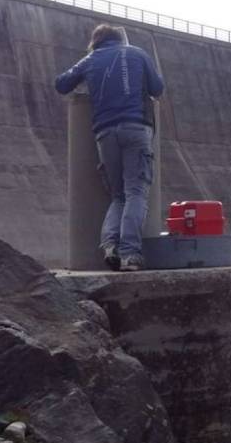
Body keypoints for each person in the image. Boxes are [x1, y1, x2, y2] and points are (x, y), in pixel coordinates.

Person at [55, 24, 165, 271]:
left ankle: (109, 246)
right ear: (119, 39)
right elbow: (157, 88)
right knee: (136, 192)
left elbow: (61, 84)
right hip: (136, 129)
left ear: (96, 42)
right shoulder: (137, 53)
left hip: (104, 133)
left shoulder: (91, 59)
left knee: (119, 195)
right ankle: (130, 254)